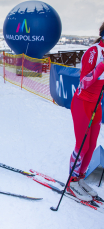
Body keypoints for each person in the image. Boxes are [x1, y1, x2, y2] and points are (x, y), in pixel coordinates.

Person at [67, 22, 104, 201]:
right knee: (82, 144)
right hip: (82, 102)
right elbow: (84, 82)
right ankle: (71, 181)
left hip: (96, 105)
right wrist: (102, 66)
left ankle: (80, 178)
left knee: (91, 144)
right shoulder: (94, 52)